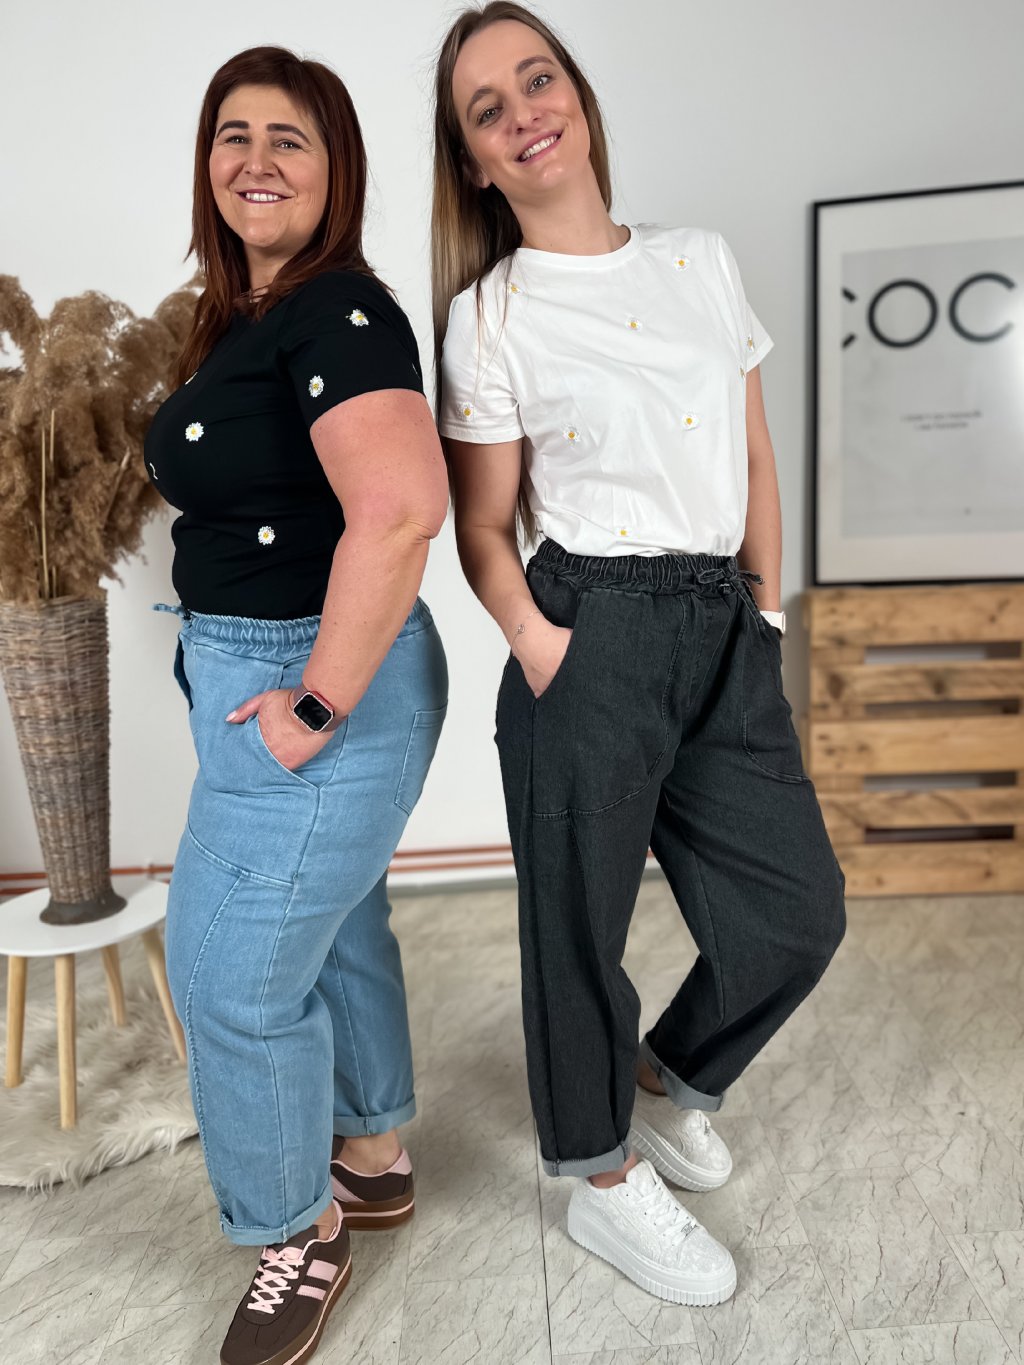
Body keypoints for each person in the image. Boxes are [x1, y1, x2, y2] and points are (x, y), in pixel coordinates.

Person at [432, 2, 846, 1306]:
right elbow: (484, 526)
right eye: (487, 109)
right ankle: (599, 1175)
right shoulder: (490, 316)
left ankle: (666, 1081)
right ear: (474, 161)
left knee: (796, 913)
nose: (523, 113)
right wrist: (540, 644)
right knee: (579, 933)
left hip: (722, 620)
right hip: (589, 627)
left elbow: (755, 451)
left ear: (580, 96)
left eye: (536, 79)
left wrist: (763, 618)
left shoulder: (698, 259)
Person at [146, 46, 448, 1365]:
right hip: (260, 663)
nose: (256, 160)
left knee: (224, 974)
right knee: (331, 928)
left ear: (338, 173)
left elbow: (402, 508)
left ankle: (296, 1228)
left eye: (290, 139)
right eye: (234, 134)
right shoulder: (247, 315)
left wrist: (313, 706)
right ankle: (370, 1158)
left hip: (313, 674)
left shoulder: (338, 313)